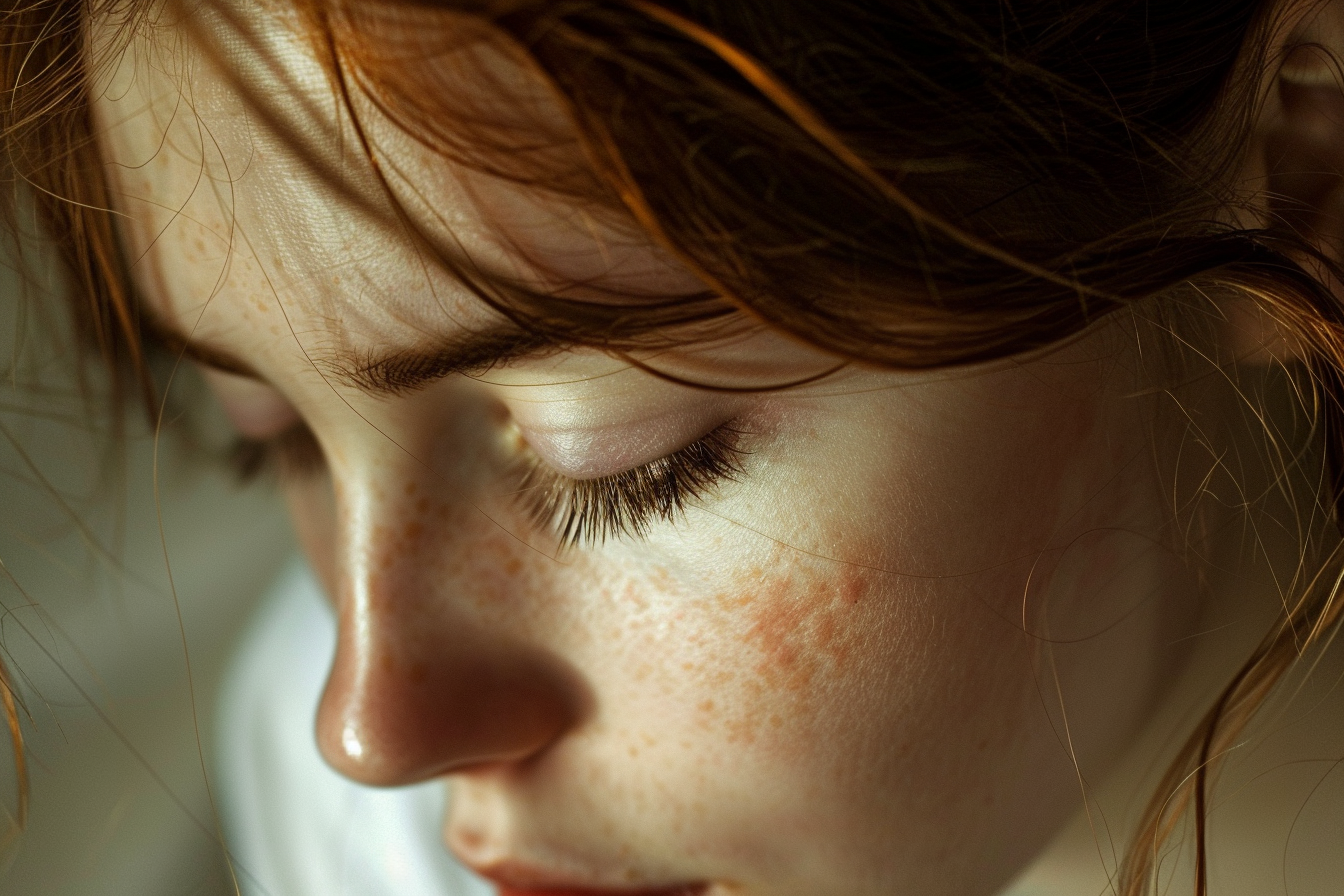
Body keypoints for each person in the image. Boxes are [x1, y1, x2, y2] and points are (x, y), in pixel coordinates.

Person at [2, 0, 1343, 893]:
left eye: (620, 463)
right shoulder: (363, 842)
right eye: (272, 439)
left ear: (1297, 163)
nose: (366, 724)